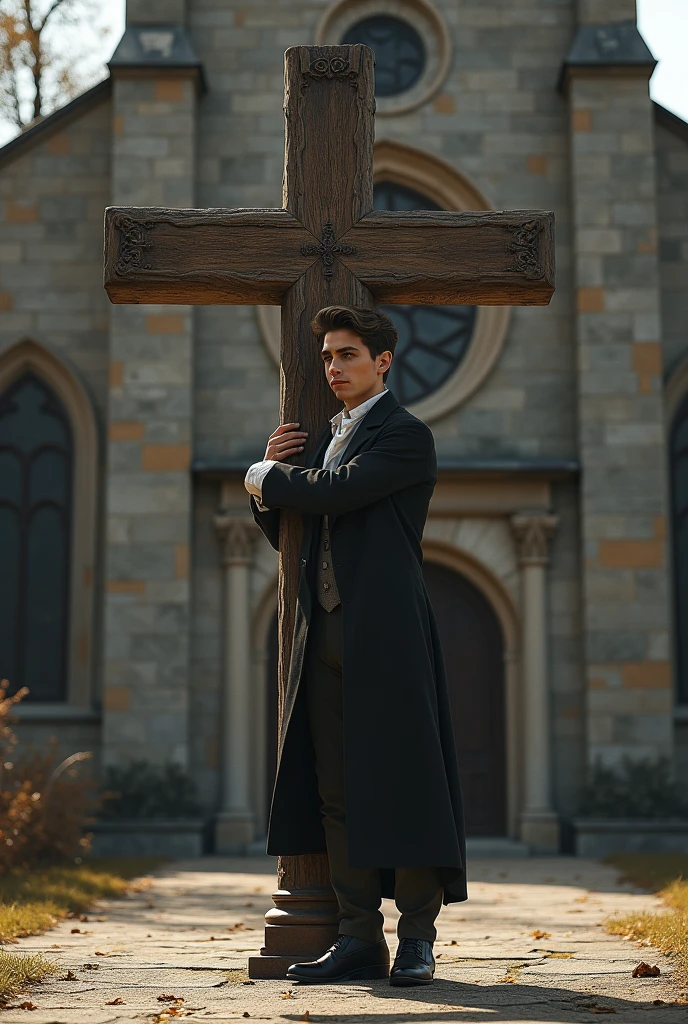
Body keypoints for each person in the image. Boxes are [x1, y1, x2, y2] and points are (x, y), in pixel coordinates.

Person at [244, 305, 467, 986]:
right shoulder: (319, 445)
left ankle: (419, 940)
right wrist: (270, 494)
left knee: (408, 779)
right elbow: (298, 531)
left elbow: (341, 494)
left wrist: (263, 476)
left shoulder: (406, 437)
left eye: (347, 355)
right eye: (328, 357)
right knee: (335, 790)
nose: (334, 368)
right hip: (324, 633)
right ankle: (357, 937)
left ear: (384, 362)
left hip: (390, 635)